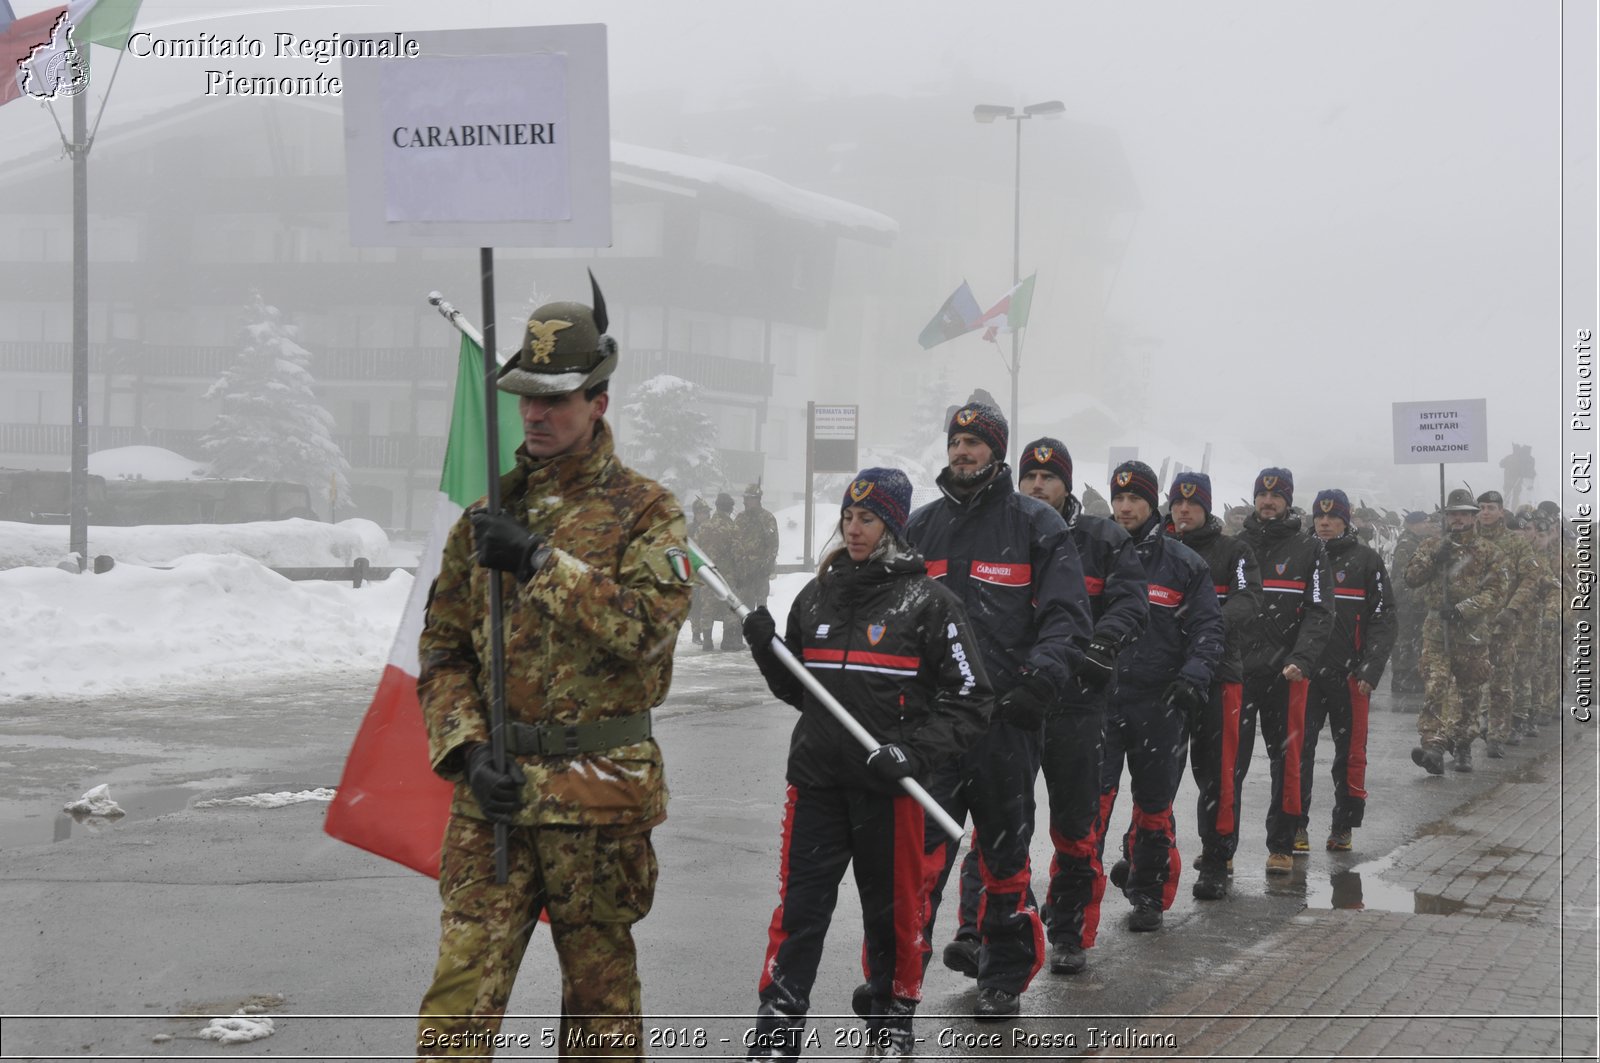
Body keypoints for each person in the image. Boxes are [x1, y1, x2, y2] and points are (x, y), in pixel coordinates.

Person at [414, 279, 694, 1061]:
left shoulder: (648, 512)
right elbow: (441, 653)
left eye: (555, 398)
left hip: (599, 798)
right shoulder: (486, 514)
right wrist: (470, 751)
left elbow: (646, 629)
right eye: (525, 397)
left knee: (600, 1021)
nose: (534, 414)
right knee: (455, 1011)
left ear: (598, 399)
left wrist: (540, 560)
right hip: (495, 798)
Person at [738, 467, 992, 1062]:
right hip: (817, 783)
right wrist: (767, 651)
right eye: (848, 518)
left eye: (868, 519)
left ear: (893, 526)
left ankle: (891, 1023)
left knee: (893, 917)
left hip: (891, 790)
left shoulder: (930, 603)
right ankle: (777, 1027)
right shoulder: (817, 595)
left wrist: (916, 751)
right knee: (800, 911)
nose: (854, 530)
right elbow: (801, 690)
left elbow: (972, 698)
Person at [894, 401, 1093, 1020]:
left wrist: (1039, 680)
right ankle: (898, 988)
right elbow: (890, 617)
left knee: (1005, 858)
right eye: (956, 440)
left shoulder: (1037, 526)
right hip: (936, 727)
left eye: (975, 443)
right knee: (916, 863)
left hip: (1007, 721)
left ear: (996, 452)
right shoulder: (919, 528)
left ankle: (1002, 975)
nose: (962, 451)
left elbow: (1066, 617)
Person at [949, 437, 1148, 976]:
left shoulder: (1102, 539)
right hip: (1010, 706)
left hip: (1076, 706)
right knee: (996, 826)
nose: (1038, 486)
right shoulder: (1001, 533)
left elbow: (1132, 603)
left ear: (1067, 485)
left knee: (1075, 828)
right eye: (1030, 478)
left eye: (1049, 478)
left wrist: (1102, 645)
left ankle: (1068, 932)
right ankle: (976, 931)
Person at [1098, 461, 1223, 930]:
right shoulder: (1093, 551)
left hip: (1160, 703)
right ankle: (1075, 910)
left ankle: (1148, 895)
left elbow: (1208, 626)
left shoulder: (1183, 563)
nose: (1125, 507)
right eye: (1119, 498)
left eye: (1136, 499)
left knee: (1154, 807)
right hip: (1102, 700)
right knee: (1092, 806)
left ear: (1153, 505)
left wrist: (1193, 676)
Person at [1166, 471, 1262, 900]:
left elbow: (1248, 599)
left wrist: (1207, 624)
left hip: (1219, 675)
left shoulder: (1234, 551)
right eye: (1178, 503)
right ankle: (1147, 853)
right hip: (1165, 676)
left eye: (1193, 504)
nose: (1184, 510)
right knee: (1157, 774)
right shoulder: (1157, 548)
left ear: (1206, 508)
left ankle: (1217, 856)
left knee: (1218, 775)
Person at [1235, 467, 1334, 874]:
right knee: (1229, 763)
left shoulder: (1310, 550)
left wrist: (1302, 658)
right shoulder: (1237, 546)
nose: (1268, 501)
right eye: (1262, 495)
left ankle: (1281, 845)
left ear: (1287, 500)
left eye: (1276, 496)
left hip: (1287, 673)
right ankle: (1221, 847)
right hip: (1238, 671)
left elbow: (1320, 611)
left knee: (1287, 761)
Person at [1301, 489, 1396, 852]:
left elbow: (1384, 617)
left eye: (1333, 517)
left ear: (1346, 521)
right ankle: (1296, 824)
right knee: (1297, 752)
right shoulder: (1301, 555)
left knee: (1351, 755)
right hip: (1306, 673)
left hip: (1351, 675)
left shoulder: (1366, 560)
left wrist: (1371, 666)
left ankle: (1343, 824)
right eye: (1320, 517)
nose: (1325, 523)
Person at [1404, 489, 1510, 774]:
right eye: (1453, 513)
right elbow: (1411, 578)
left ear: (1473, 517)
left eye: (1464, 513)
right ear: (1446, 516)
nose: (1458, 519)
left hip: (1472, 633)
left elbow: (1497, 593)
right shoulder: (1432, 545)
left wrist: (1464, 608)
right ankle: (1434, 745)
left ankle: (1463, 745)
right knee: (1436, 686)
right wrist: (1435, 558)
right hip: (1437, 631)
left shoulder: (1489, 552)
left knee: (1469, 692)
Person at [726, 483, 781, 651]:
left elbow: (773, 545)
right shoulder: (741, 518)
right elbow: (734, 543)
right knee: (746, 605)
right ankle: (748, 635)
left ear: (757, 500)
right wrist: (738, 566)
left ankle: (762, 636)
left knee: (761, 605)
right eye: (745, 499)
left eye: (748, 499)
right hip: (744, 570)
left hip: (761, 570)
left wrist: (767, 565)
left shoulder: (767, 518)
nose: (745, 502)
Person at [1387, 511, 1435, 699]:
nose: (1428, 525)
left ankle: (1410, 676)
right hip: (1405, 599)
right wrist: (1409, 598)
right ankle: (1401, 678)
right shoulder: (1407, 545)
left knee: (1413, 638)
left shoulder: (1417, 542)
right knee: (1404, 639)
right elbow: (1403, 576)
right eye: (1425, 522)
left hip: (1412, 599)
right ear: (1414, 524)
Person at [696, 493, 740, 651]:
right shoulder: (732, 528)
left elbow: (696, 550)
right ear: (729, 507)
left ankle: (707, 641)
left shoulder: (704, 526)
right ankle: (727, 641)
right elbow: (737, 553)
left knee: (707, 606)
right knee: (729, 606)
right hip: (726, 574)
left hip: (707, 573)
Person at [687, 497, 714, 648]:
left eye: (706, 512)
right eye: (701, 513)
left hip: (709, 569)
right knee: (696, 604)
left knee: (708, 604)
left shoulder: (712, 528)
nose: (704, 515)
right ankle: (696, 633)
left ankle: (706, 632)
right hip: (694, 570)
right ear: (696, 514)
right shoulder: (690, 529)